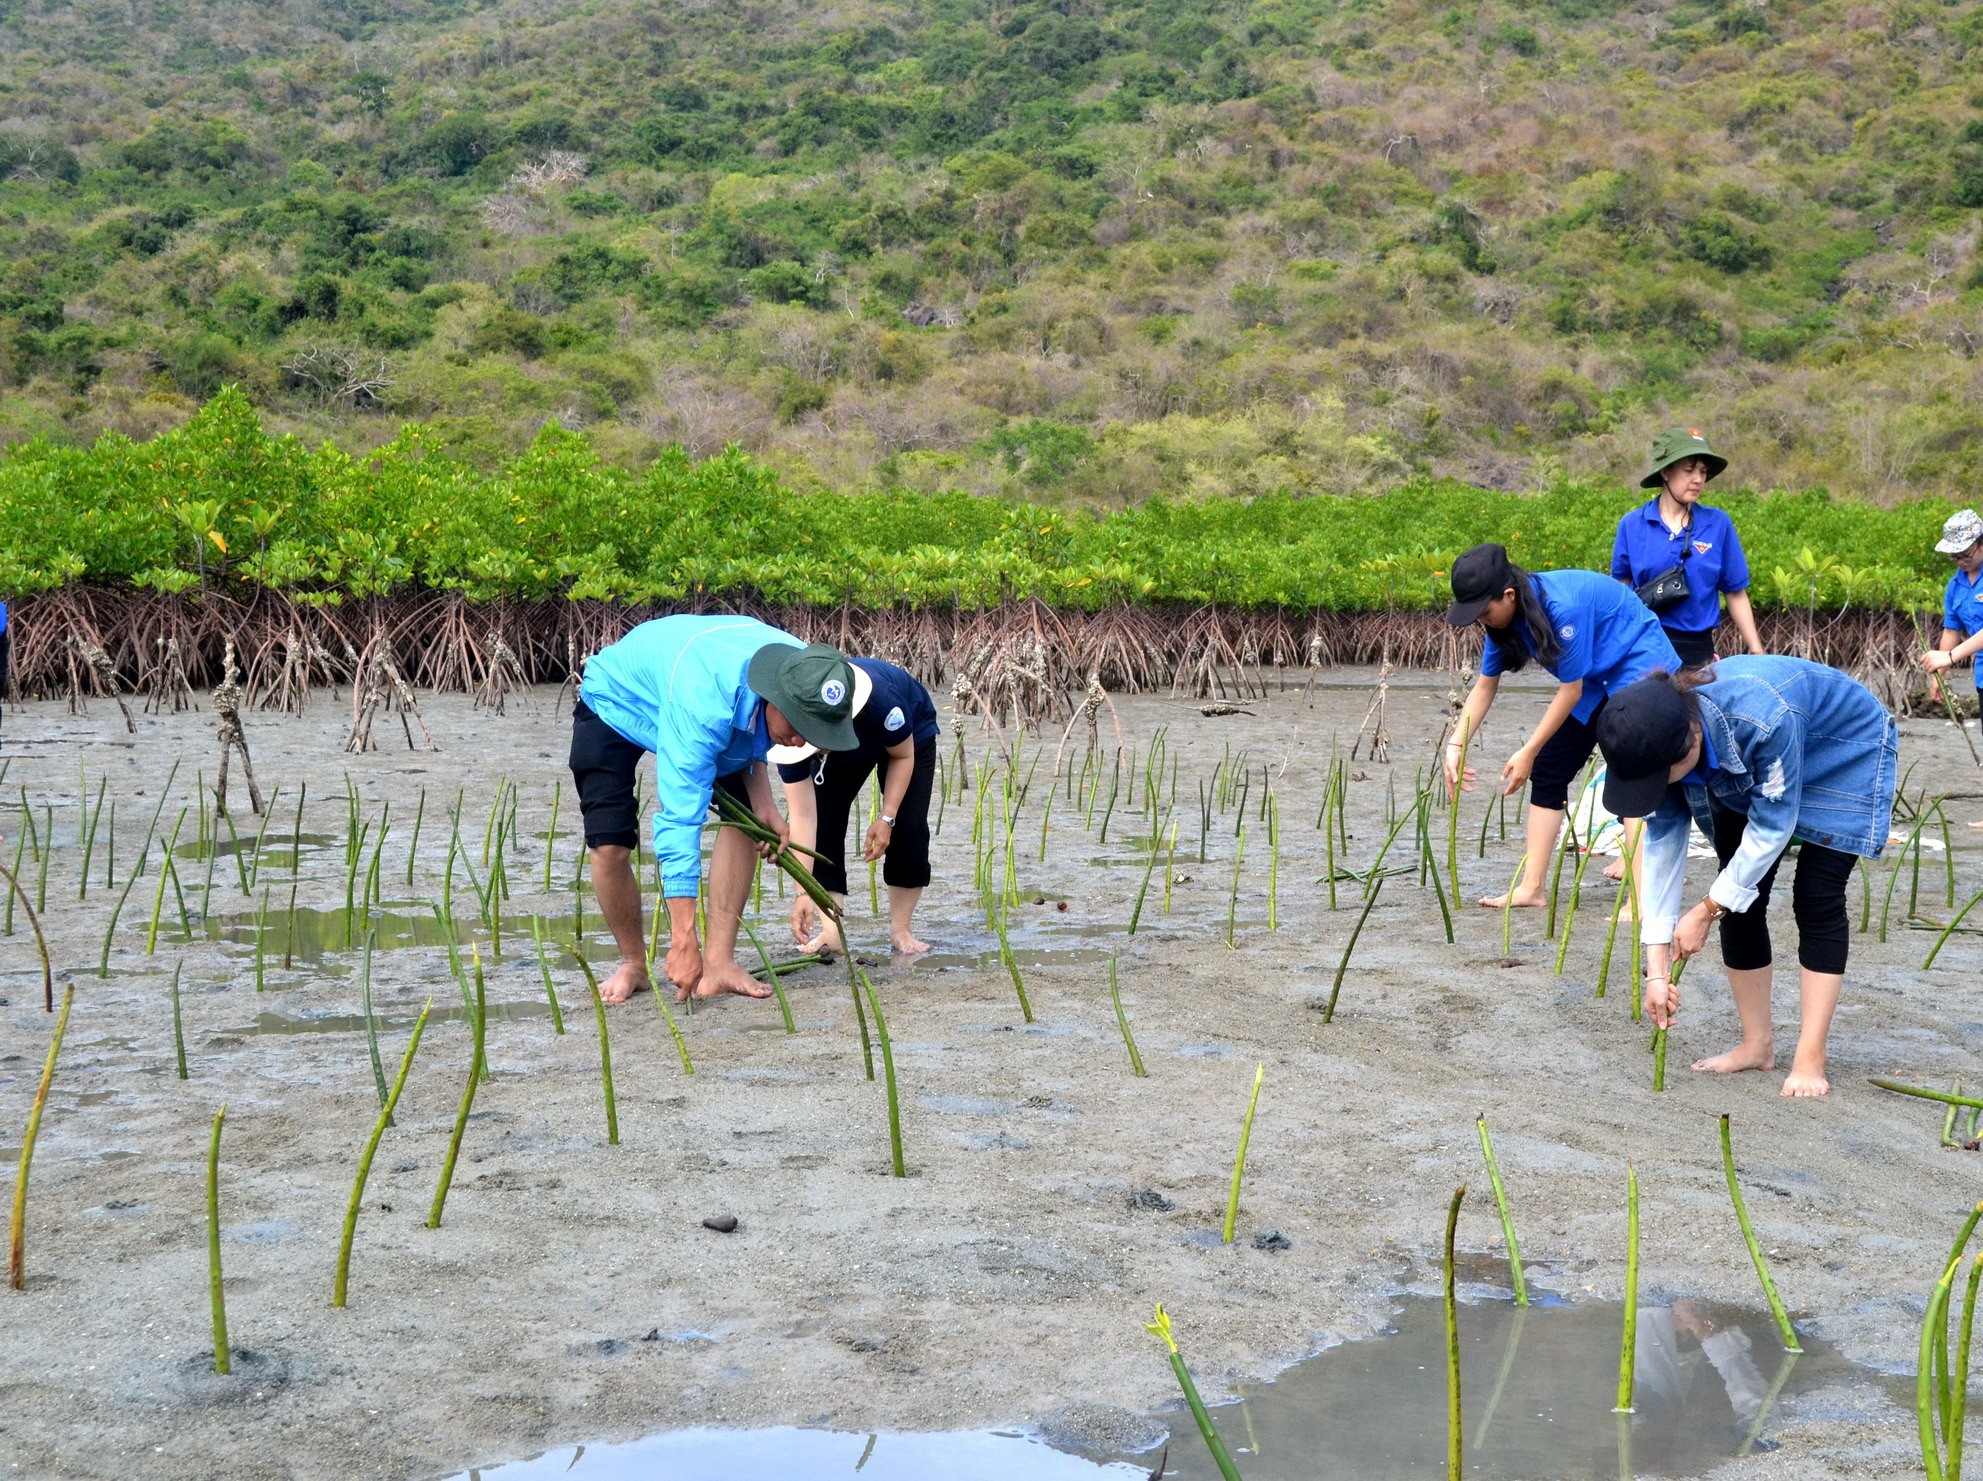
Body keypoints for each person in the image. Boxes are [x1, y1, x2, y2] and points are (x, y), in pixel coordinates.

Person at [1595, 659, 1898, 1097]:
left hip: (1843, 744)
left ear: (1691, 741)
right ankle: (1758, 1045)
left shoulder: (1762, 718)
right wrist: (1656, 973)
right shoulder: (1651, 741)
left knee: (1816, 897)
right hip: (1758, 755)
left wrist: (1704, 909)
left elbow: (1772, 827)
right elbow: (1661, 848)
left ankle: (1810, 1057)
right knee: (1739, 896)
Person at [570, 616, 858, 1005]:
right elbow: (678, 823)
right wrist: (683, 940)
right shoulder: (704, 709)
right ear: (776, 694)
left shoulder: (806, 669)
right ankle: (632, 962)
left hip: (703, 693)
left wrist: (764, 804)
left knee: (749, 823)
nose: (800, 740)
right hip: (618, 702)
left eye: (814, 731)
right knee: (610, 843)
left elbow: (751, 726)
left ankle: (719, 962)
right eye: (797, 724)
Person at [1444, 543, 1679, 909]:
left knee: (1628, 768)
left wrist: (1527, 750)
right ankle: (1532, 888)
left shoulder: (1563, 608)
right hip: (1593, 675)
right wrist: (1455, 744)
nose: (1481, 620)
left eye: (1484, 611)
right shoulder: (1503, 623)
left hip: (1636, 660)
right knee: (1550, 768)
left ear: (1508, 595)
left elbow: (1570, 692)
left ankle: (1642, 898)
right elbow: (1485, 685)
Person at [774, 655, 940, 957]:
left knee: (909, 826)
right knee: (825, 823)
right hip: (843, 743)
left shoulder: (882, 700)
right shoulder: (789, 738)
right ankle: (831, 931)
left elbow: (903, 756)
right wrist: (802, 892)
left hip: (906, 734)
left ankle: (901, 928)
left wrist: (886, 818)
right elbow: (802, 817)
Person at [1611, 427, 1766, 669]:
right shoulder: (1632, 525)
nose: (1698, 479)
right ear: (1665, 471)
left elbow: (1735, 592)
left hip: (1699, 654)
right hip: (1645, 650)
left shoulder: (1717, 523)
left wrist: (1757, 651)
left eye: (1703, 472)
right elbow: (1620, 589)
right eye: (1689, 470)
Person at [1919, 508, 1983, 829]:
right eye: (1954, 554)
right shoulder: (1955, 585)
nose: (1961, 559)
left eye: (1966, 552)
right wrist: (1939, 676)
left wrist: (1950, 658)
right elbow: (1951, 629)